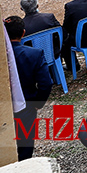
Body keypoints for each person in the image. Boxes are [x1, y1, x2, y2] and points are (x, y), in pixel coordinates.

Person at [5, 15, 53, 161]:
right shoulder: (34, 54)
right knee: (25, 146)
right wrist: (38, 103)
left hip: (4, 108)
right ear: (23, 33)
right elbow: (46, 83)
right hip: (27, 105)